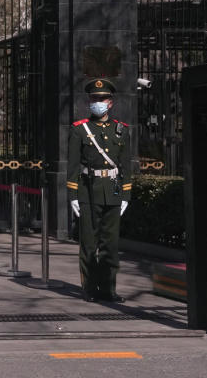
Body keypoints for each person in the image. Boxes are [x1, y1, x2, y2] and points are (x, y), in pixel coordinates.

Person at [67, 78, 132, 303]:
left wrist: (126, 195)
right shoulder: (79, 130)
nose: (98, 102)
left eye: (102, 99)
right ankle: (89, 288)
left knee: (110, 244)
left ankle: (108, 289)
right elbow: (73, 165)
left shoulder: (121, 130)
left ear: (110, 102)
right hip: (88, 191)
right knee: (89, 243)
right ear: (89, 101)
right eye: (94, 99)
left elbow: (126, 165)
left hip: (113, 192)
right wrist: (73, 195)